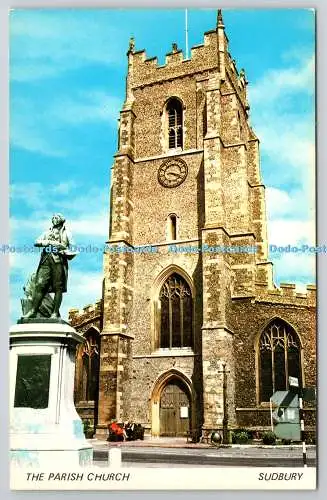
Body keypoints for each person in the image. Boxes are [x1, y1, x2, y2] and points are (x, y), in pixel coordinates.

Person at [23, 213, 76, 319]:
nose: (54, 219)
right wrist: (47, 242)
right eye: (53, 218)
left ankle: (55, 313)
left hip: (58, 261)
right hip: (45, 261)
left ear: (61, 220)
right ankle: (33, 311)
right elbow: (36, 242)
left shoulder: (67, 234)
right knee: (40, 285)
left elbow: (73, 249)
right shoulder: (47, 232)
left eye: (56, 218)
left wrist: (63, 251)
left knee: (58, 288)